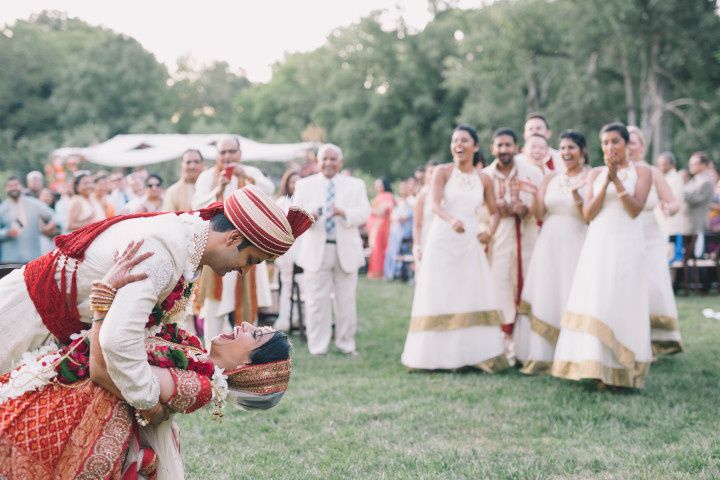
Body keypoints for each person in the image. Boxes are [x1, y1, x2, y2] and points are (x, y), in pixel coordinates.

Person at [0, 242, 294, 479]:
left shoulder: (200, 387)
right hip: (68, 398)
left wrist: (103, 303)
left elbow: (111, 369)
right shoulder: (191, 347)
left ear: (246, 368)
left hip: (73, 417)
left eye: (254, 335)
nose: (244, 326)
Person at [0, 182, 314, 397]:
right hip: (21, 320)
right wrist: (149, 402)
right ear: (232, 239)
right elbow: (116, 340)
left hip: (50, 330)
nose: (244, 272)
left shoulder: (187, 247)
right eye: (250, 260)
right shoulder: (164, 252)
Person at [552, 122, 653, 389]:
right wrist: (606, 178)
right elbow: (588, 214)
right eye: (605, 142)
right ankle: (597, 368)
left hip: (628, 243)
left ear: (626, 144)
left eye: (615, 142)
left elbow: (634, 209)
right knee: (599, 300)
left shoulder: (642, 172)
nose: (610, 147)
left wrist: (617, 179)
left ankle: (623, 369)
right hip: (599, 244)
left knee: (624, 299)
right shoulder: (595, 172)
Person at [401, 125, 507, 371]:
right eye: (455, 141)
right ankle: (433, 357)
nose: (458, 145)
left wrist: (489, 232)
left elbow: (495, 212)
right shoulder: (443, 171)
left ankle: (471, 356)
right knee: (441, 293)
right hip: (444, 237)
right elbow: (435, 204)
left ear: (475, 146)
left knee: (469, 292)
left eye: (464, 141)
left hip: (470, 240)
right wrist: (451, 220)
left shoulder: (484, 179)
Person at [513, 130, 589, 374]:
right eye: (563, 148)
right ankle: (542, 353)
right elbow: (538, 214)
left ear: (582, 151)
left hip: (576, 239)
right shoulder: (551, 178)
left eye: (571, 148)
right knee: (547, 291)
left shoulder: (592, 177)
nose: (566, 153)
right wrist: (535, 194)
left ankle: (574, 354)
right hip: (549, 240)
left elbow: (589, 215)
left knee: (571, 290)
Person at [192, 136, 275, 344]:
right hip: (217, 249)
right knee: (214, 305)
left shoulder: (250, 172)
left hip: (249, 248)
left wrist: (245, 175)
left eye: (232, 152)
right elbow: (197, 206)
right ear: (217, 155)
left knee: (248, 303)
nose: (228, 156)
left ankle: (248, 351)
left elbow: (270, 191)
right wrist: (218, 189)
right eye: (223, 152)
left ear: (240, 153)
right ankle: (212, 353)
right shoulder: (207, 177)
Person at [293, 143, 371, 356]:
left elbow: (364, 212)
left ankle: (346, 344)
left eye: (332, 159)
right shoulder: (304, 185)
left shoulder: (355, 185)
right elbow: (295, 215)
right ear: (318, 162)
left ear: (340, 162)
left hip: (346, 249)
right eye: (324, 159)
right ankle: (318, 346)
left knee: (346, 300)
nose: (328, 163)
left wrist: (344, 213)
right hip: (316, 250)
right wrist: (312, 215)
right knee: (316, 301)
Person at [482, 128, 544, 353]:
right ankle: (501, 343)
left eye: (508, 145)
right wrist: (495, 212)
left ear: (517, 148)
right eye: (500, 145)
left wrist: (524, 208)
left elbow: (543, 207)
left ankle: (526, 345)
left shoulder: (532, 173)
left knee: (527, 284)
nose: (504, 150)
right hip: (498, 240)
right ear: (492, 149)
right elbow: (479, 211)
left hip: (527, 237)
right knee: (499, 285)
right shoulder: (486, 176)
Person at [627, 126, 683, 357]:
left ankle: (654, 340)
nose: (629, 147)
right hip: (624, 235)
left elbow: (674, 202)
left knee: (653, 286)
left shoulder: (652, 172)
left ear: (642, 146)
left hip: (649, 235)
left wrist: (669, 208)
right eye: (625, 141)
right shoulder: (616, 172)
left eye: (633, 142)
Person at [0, 176, 56, 264]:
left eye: (16, 185)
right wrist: (6, 233)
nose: (13, 188)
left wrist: (48, 227)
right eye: (10, 186)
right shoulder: (2, 208)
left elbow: (55, 216)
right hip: (9, 259)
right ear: (5, 189)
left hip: (32, 257)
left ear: (22, 187)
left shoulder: (35, 204)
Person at [274, 169, 303, 331]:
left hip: (303, 251)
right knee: (286, 286)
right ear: (287, 184)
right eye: (293, 182)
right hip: (287, 251)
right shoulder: (282, 202)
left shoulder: (306, 202)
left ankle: (300, 318)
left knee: (304, 287)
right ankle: (284, 319)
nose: (296, 186)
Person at [654, 152, 690, 258]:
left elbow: (675, 198)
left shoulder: (676, 178)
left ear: (672, 165)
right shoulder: (663, 177)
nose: (662, 167)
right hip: (662, 221)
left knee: (670, 255)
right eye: (660, 164)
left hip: (672, 222)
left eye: (664, 164)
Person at [683, 152, 714, 257]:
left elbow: (697, 199)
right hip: (689, 224)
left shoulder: (707, 181)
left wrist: (681, 193)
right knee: (689, 256)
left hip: (698, 224)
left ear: (703, 165)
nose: (691, 166)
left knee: (697, 255)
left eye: (694, 163)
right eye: (690, 164)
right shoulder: (695, 179)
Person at [384, 180, 414, 281]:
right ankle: (390, 273)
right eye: (401, 188)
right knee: (391, 251)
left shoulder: (411, 201)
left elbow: (405, 217)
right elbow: (393, 217)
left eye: (404, 187)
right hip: (395, 231)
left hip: (405, 232)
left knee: (400, 250)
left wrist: (398, 219)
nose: (402, 190)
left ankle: (398, 273)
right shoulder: (398, 201)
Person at [412, 160, 440, 267]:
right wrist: (418, 246)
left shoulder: (445, 194)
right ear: (426, 175)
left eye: (436, 172)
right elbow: (417, 224)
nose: (433, 175)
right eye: (431, 172)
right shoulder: (422, 196)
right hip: (426, 238)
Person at [366, 177, 395, 279]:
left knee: (379, 248)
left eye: (379, 184)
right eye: (376, 185)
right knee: (374, 249)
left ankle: (379, 272)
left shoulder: (388, 196)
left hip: (382, 226)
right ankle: (373, 272)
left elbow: (382, 212)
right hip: (375, 227)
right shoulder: (378, 197)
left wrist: (368, 208)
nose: (377, 187)